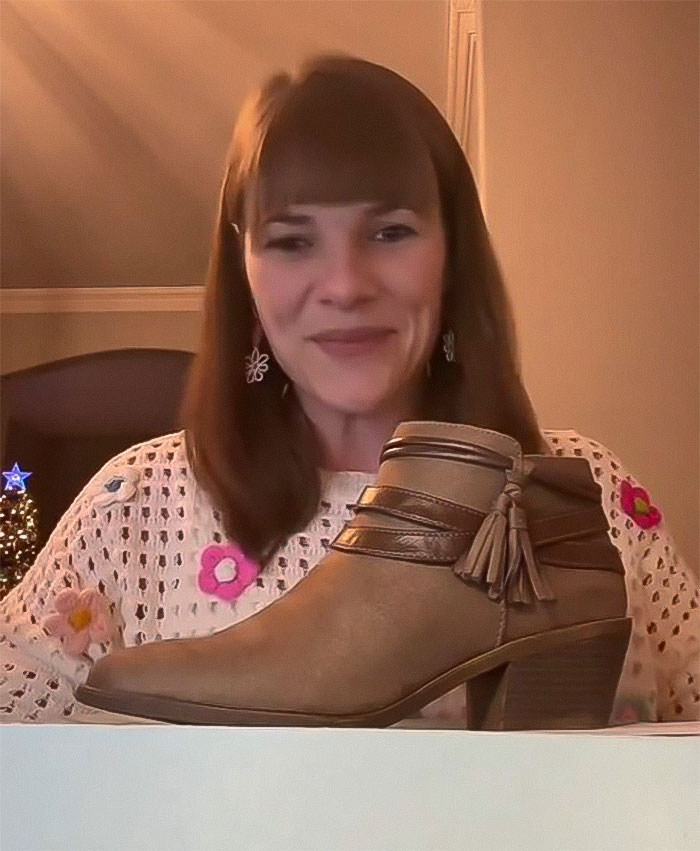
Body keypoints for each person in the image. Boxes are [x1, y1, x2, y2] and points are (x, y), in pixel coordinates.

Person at [1, 53, 697, 726]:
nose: (345, 285)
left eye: (390, 232)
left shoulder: (585, 494)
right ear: (244, 271)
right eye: (294, 241)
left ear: (452, 257)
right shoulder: (135, 509)